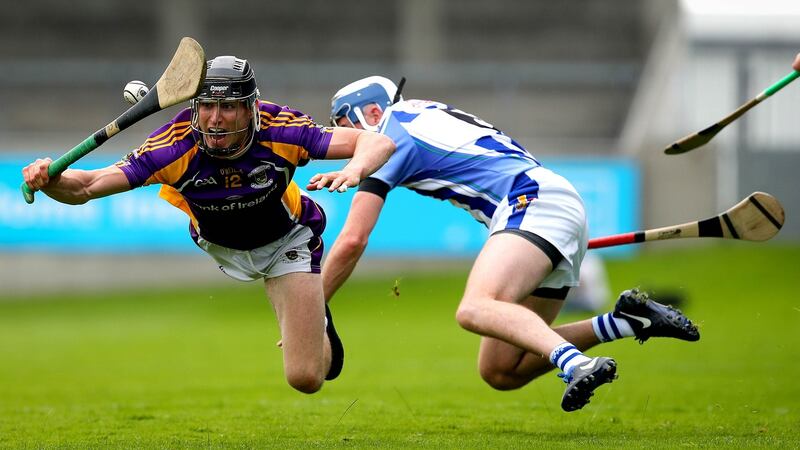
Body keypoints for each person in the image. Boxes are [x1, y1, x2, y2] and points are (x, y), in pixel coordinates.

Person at [22, 56, 396, 394]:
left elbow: (376, 142)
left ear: (251, 110)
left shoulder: (282, 129)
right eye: (208, 107)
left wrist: (353, 169)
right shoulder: (171, 146)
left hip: (287, 241)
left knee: (306, 379)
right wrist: (50, 180)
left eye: (228, 107)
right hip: (220, 245)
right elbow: (86, 186)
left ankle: (320, 321)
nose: (216, 119)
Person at [323, 76, 700, 412]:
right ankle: (625, 322)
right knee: (501, 369)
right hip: (550, 203)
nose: (347, 141)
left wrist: (311, 306)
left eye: (344, 126)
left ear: (372, 112)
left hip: (530, 200)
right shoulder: (419, 114)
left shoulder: (388, 135)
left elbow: (353, 240)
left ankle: (575, 364)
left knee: (474, 308)